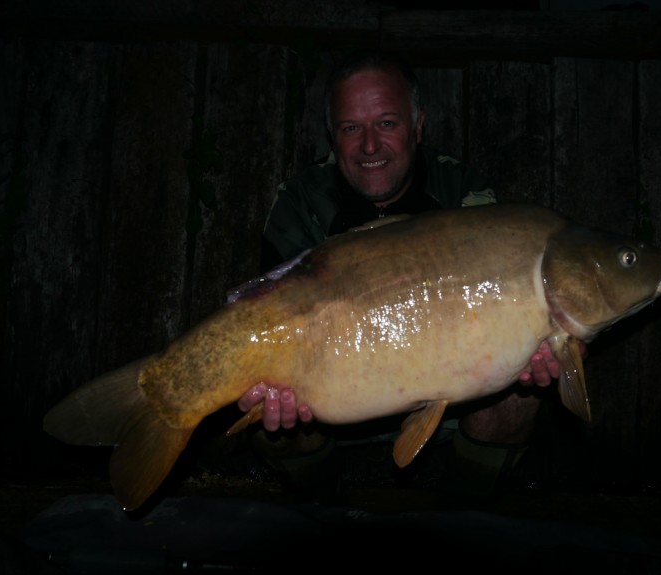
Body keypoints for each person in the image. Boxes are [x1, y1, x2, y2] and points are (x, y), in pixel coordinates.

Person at [234, 50, 568, 502]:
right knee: (272, 410)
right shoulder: (300, 202)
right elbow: (269, 317)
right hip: (334, 400)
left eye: (387, 123)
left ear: (418, 125)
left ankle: (462, 513)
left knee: (522, 392)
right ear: (333, 136)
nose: (370, 146)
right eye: (352, 128)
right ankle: (322, 513)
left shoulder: (466, 196)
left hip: (450, 398)